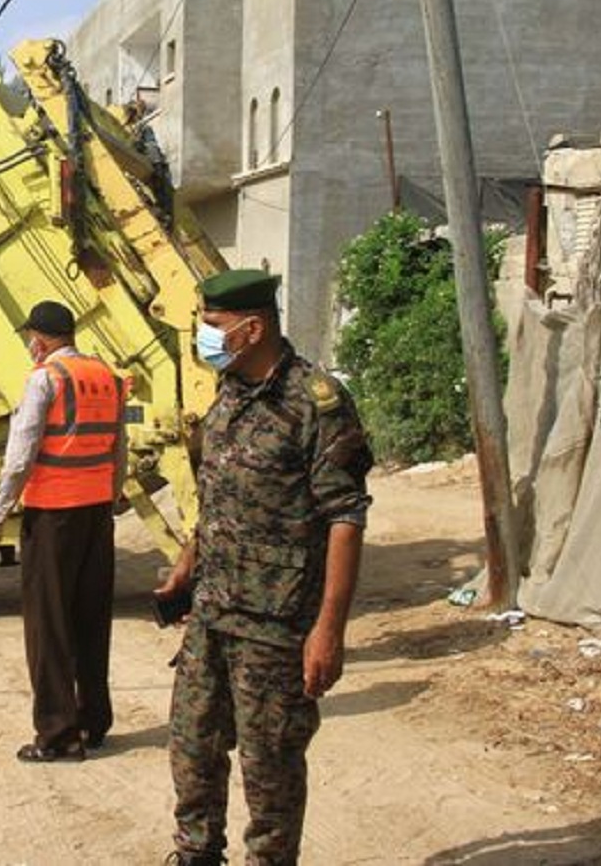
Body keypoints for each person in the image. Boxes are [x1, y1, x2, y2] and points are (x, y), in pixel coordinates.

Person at [156, 269, 373, 866]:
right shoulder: (228, 392)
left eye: (213, 325)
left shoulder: (318, 403)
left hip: (276, 626)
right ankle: (195, 854)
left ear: (252, 329)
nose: (204, 335)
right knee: (192, 748)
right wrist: (185, 564)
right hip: (212, 613)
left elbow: (345, 519)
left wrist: (329, 629)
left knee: (269, 768)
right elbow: (219, 499)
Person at [0, 299, 128, 763]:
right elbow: (119, 447)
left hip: (53, 515)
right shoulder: (106, 376)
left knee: (48, 627)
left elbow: (21, 454)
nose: (30, 346)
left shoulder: (46, 378)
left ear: (40, 340)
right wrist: (111, 495)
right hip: (96, 512)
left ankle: (59, 736)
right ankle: (93, 721)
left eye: (31, 338)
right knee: (90, 619)